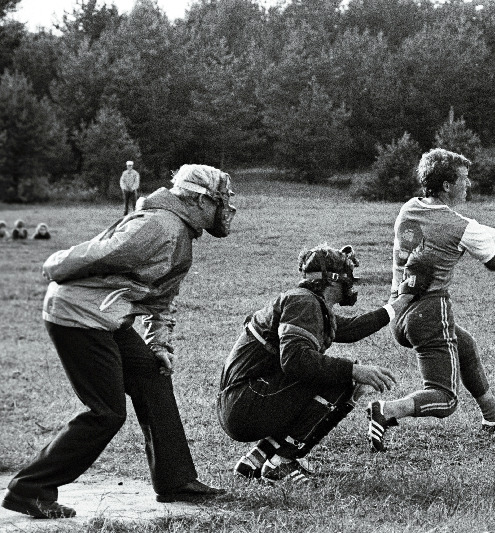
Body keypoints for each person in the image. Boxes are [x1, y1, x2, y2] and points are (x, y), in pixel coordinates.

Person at [1, 164, 237, 519]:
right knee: (106, 412)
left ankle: (176, 481)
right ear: (201, 200)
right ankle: (30, 489)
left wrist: (158, 345)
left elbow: (162, 300)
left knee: (152, 377)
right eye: (222, 199)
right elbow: (102, 252)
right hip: (79, 315)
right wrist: (56, 265)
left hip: (104, 317)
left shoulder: (180, 232)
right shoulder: (160, 226)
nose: (226, 208)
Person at [366, 148, 495, 453]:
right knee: (444, 398)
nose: (469, 184)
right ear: (447, 185)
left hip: (400, 311)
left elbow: (475, 230)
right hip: (429, 313)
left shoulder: (411, 208)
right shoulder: (460, 227)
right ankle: (386, 410)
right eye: (464, 179)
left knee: (464, 345)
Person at [218, 244, 426, 484]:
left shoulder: (305, 301)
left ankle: (256, 459)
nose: (351, 282)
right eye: (348, 276)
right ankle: (281, 463)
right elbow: (295, 361)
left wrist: (400, 303)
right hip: (246, 404)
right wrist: (353, 370)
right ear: (333, 280)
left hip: (242, 401)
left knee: (339, 373)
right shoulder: (304, 303)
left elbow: (351, 329)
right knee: (346, 378)